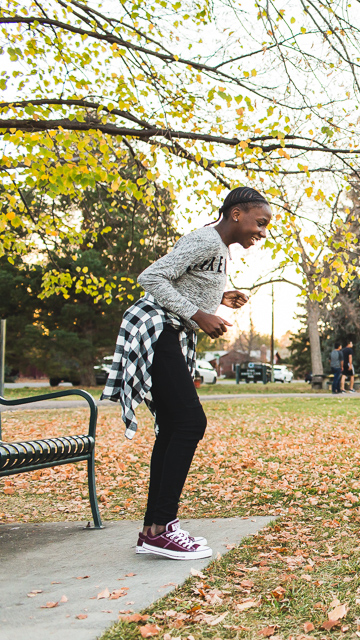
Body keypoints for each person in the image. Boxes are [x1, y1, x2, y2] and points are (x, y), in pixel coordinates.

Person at [101, 186, 272, 560]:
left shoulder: (219, 249)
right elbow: (152, 278)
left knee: (176, 425)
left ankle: (154, 529)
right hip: (156, 330)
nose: (262, 232)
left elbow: (183, 283)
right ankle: (161, 527)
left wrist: (220, 299)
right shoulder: (206, 240)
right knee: (190, 423)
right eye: (260, 223)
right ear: (236, 213)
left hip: (168, 332)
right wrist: (200, 314)